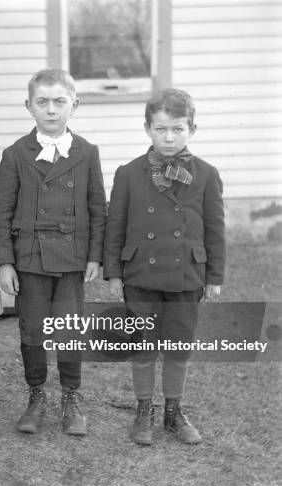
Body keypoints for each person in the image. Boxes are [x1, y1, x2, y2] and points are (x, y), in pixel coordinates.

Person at [104, 88, 225, 445]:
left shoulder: (205, 174)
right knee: (143, 344)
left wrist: (214, 277)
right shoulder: (128, 174)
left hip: (186, 275)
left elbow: (215, 229)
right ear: (147, 129)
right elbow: (116, 227)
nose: (169, 137)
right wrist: (114, 272)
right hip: (141, 274)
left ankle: (173, 410)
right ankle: (144, 409)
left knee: (179, 346)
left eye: (177, 129)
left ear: (192, 129)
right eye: (160, 129)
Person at [0, 69, 107, 435]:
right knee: (33, 327)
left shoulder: (87, 152)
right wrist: (4, 262)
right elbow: (1, 213)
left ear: (75, 104)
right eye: (42, 102)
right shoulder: (14, 154)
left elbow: (96, 208)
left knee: (70, 327)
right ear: (29, 106)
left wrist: (94, 256)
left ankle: (71, 397)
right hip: (30, 257)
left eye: (59, 101)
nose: (51, 110)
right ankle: (36, 395)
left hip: (72, 257)